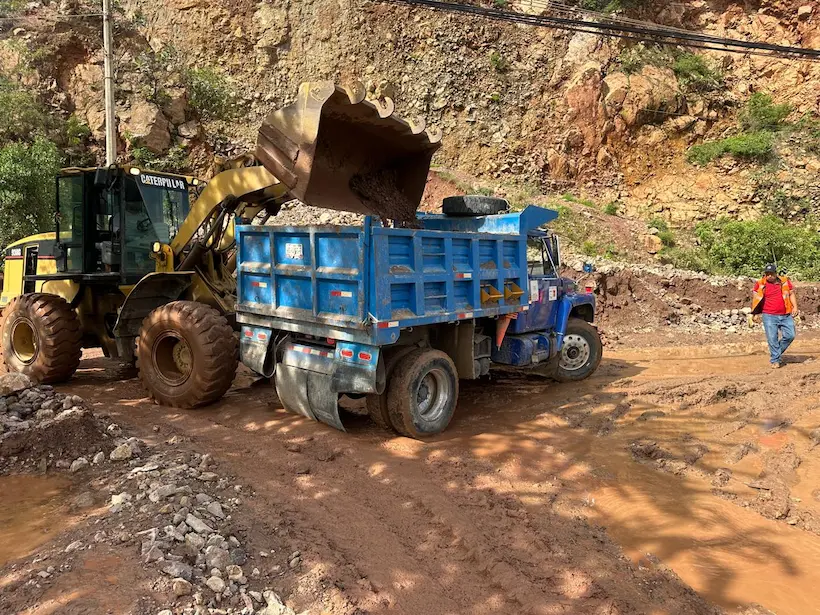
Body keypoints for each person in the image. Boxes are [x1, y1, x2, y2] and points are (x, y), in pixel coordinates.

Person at [752, 264, 798, 368]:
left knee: (790, 335)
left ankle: (776, 354)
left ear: (775, 273)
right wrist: (755, 313)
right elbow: (756, 298)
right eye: (767, 274)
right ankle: (775, 360)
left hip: (785, 314)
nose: (769, 276)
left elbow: (791, 294)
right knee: (772, 338)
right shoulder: (760, 284)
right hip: (769, 315)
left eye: (771, 274)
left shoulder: (784, 281)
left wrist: (795, 307)